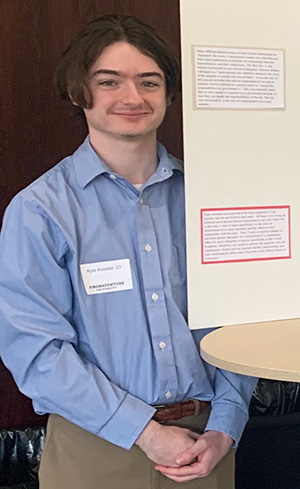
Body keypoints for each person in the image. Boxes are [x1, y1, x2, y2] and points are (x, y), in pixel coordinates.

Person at [0, 14, 257, 489]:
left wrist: (227, 424)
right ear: (80, 93)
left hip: (209, 445)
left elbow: (238, 321)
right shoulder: (39, 211)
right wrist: (145, 432)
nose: (133, 97)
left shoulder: (210, 200)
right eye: (109, 81)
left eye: (149, 81)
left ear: (169, 94)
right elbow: (37, 352)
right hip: (94, 448)